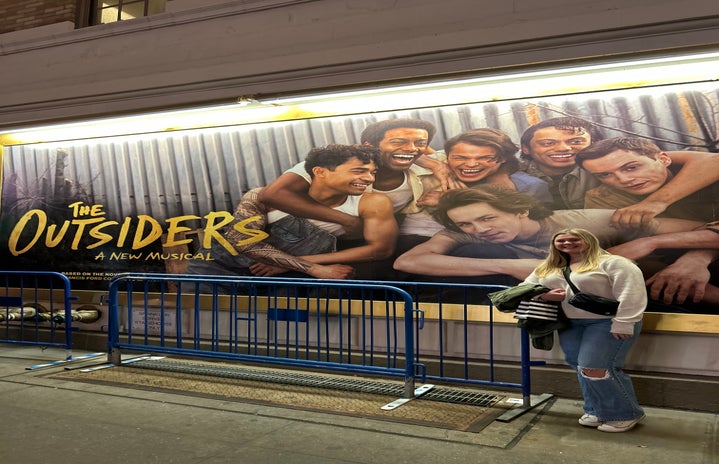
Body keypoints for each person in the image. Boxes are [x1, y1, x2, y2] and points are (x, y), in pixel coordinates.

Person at [392, 186, 701, 287]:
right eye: (467, 225)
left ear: (521, 211)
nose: (480, 229)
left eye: (488, 218)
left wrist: (692, 257)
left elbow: (705, 228)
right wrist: (512, 266)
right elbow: (409, 261)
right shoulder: (464, 231)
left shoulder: (588, 221)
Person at [186, 144, 398, 283]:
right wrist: (314, 269)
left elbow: (380, 250)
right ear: (320, 172)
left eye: (373, 172)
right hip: (216, 272)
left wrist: (287, 265)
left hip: (283, 279)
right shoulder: (259, 196)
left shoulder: (372, 202)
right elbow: (242, 241)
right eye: (359, 171)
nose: (370, 179)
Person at [522, 228, 647, 432]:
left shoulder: (614, 262)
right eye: (561, 240)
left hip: (606, 322)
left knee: (595, 367)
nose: (567, 243)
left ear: (590, 240)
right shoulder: (549, 266)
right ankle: (597, 410)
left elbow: (632, 291)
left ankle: (625, 413)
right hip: (569, 323)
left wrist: (624, 322)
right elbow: (525, 288)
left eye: (574, 239)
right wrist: (543, 296)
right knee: (581, 367)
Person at [257, 118, 456, 239]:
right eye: (399, 142)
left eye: (419, 143)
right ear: (370, 145)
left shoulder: (429, 167)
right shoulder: (336, 164)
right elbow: (272, 194)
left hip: (341, 242)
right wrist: (347, 220)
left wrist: (435, 164)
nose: (412, 149)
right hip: (279, 234)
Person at [519, 117, 719, 225]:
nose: (563, 148)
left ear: (594, 144)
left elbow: (712, 161)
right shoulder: (516, 175)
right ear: (526, 149)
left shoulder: (612, 159)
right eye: (548, 143)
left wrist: (655, 202)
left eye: (576, 141)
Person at [396, 128, 551, 254]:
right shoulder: (436, 170)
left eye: (485, 158)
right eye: (459, 158)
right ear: (446, 157)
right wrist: (433, 164)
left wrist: (447, 202)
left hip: (489, 246)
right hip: (416, 242)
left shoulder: (528, 186)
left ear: (503, 159)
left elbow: (532, 228)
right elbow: (381, 148)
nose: (470, 164)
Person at [576, 137, 719, 223]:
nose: (624, 180)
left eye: (631, 167)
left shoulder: (709, 176)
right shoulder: (602, 198)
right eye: (605, 175)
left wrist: (656, 202)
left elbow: (714, 161)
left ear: (664, 159)